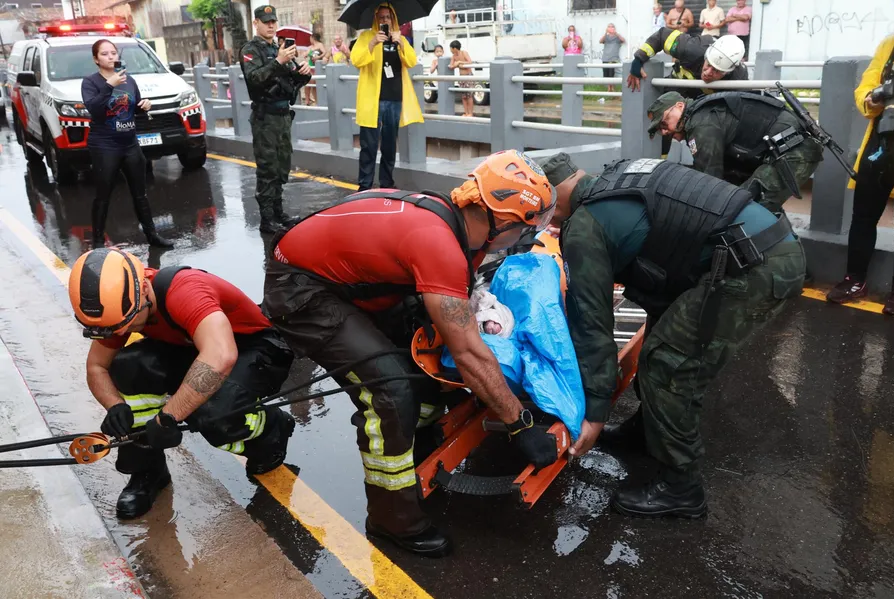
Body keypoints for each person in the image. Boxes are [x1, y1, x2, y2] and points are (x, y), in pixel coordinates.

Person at [261, 150, 559, 557]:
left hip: (350, 282)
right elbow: (470, 353)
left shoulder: (452, 220)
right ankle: (391, 519)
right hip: (302, 290)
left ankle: (414, 440)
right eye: (524, 227)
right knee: (390, 389)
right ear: (501, 222)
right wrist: (520, 424)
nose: (521, 238)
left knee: (427, 361)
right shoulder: (438, 242)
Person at [536, 153, 805, 518]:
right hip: (764, 246)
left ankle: (682, 488)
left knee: (668, 365)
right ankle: (646, 431)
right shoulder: (617, 177)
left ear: (554, 196)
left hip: (751, 267)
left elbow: (593, 323)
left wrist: (594, 412)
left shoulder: (585, 224)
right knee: (663, 337)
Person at [68, 249, 296, 519]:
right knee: (128, 367)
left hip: (253, 349)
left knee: (213, 416)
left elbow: (220, 355)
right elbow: (97, 366)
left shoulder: (185, 291)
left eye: (125, 324)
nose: (120, 334)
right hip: (192, 347)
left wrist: (168, 417)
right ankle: (148, 471)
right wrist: (115, 406)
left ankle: (270, 428)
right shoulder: (121, 309)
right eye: (113, 329)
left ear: (143, 290)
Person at [645, 90, 824, 213]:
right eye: (659, 128)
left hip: (793, 153)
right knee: (751, 203)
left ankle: (777, 263)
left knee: (745, 209)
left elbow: (709, 181)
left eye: (664, 122)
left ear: (679, 106)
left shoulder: (702, 124)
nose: (665, 131)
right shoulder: (702, 112)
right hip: (783, 150)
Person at [826, 34, 894, 315]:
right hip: (881, 143)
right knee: (863, 216)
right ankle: (855, 279)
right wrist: (877, 96)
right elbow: (864, 92)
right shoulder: (891, 45)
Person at [81, 39, 173, 250]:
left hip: (129, 144)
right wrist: (109, 85)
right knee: (103, 195)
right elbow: (94, 109)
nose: (111, 57)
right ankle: (97, 243)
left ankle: (152, 236)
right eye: (105, 54)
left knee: (140, 193)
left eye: (113, 53)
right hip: (104, 145)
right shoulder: (91, 82)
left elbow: (134, 107)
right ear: (96, 59)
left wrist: (144, 106)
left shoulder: (129, 80)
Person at [240, 5, 312, 234]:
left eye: (273, 21)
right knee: (267, 169)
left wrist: (303, 73)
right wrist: (279, 61)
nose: (271, 25)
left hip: (282, 116)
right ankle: (266, 218)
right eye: (266, 21)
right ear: (256, 23)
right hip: (265, 117)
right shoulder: (251, 49)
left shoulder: (279, 47)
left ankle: (279, 212)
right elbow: (254, 78)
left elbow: (291, 82)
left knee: (281, 167)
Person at [350, 3, 423, 191]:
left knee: (389, 145)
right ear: (376, 19)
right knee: (369, 146)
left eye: (388, 17)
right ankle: (364, 185)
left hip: (394, 99)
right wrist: (373, 43)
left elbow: (412, 61)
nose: (385, 20)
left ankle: (386, 183)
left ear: (393, 19)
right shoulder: (366, 37)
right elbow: (356, 60)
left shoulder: (400, 38)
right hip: (372, 101)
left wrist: (400, 43)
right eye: (381, 17)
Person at [628, 32, 747, 98]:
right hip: (677, 86)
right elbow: (661, 37)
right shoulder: (691, 48)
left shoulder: (738, 79)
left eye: (716, 71)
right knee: (663, 119)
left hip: (707, 102)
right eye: (708, 64)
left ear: (728, 71)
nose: (708, 72)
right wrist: (638, 59)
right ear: (706, 55)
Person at [449, 40, 474, 117]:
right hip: (461, 77)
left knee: (469, 96)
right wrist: (455, 64)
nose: (450, 50)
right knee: (463, 96)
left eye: (451, 48)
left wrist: (459, 62)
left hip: (468, 76)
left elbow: (470, 62)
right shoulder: (453, 56)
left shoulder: (464, 53)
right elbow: (451, 66)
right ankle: (466, 113)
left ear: (454, 48)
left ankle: (470, 113)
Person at [600, 24, 626, 92]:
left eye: (612, 27)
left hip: (613, 58)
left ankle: (611, 89)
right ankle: (609, 88)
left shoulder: (617, 37)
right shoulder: (606, 37)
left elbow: (623, 40)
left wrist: (616, 33)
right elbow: (600, 41)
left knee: (611, 74)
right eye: (609, 26)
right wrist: (606, 33)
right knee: (606, 75)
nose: (611, 28)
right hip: (605, 58)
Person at [304, 33, 327, 106]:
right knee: (308, 83)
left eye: (310, 38)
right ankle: (307, 99)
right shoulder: (310, 47)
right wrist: (306, 54)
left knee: (315, 84)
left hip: (317, 66)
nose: (310, 40)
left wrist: (318, 57)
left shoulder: (320, 45)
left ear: (313, 38)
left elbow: (324, 52)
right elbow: (305, 54)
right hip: (311, 66)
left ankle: (317, 101)